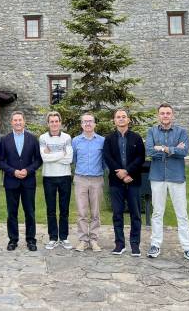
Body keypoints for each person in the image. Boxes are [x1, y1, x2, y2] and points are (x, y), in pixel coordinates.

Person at [145, 103, 189, 263]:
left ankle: (188, 247)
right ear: (158, 115)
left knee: (182, 213)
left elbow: (184, 151)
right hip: (157, 177)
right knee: (157, 212)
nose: (165, 116)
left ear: (172, 115)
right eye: (162, 113)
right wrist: (172, 149)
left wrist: (162, 149)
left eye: (168, 113)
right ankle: (155, 244)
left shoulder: (181, 132)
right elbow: (149, 151)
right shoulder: (152, 131)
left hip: (176, 177)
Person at [103, 108, 145, 256]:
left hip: (133, 180)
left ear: (128, 120)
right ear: (114, 121)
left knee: (135, 214)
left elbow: (140, 157)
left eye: (123, 116)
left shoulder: (136, 138)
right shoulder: (109, 139)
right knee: (117, 214)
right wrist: (120, 174)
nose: (121, 119)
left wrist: (127, 172)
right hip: (116, 182)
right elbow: (108, 158)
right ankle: (119, 244)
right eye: (118, 117)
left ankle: (135, 244)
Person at [0, 111, 43, 251]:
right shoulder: (5, 140)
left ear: (24, 121)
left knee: (30, 212)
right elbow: (0, 161)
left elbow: (38, 160)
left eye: (20, 120)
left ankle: (31, 240)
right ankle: (13, 240)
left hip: (28, 181)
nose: (18, 122)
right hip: (11, 181)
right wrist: (13, 171)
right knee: (12, 212)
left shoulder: (32, 139)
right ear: (11, 122)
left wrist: (27, 170)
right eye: (15, 120)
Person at [72, 112, 106, 252]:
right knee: (82, 212)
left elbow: (104, 160)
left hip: (97, 179)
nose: (88, 124)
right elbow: (74, 159)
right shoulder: (75, 141)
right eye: (85, 121)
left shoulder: (102, 141)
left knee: (95, 212)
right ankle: (83, 240)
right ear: (81, 124)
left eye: (90, 121)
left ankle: (93, 240)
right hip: (80, 179)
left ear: (94, 124)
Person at [39, 111, 73, 250]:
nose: (54, 124)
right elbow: (44, 158)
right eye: (51, 121)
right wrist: (61, 153)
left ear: (60, 122)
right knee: (51, 209)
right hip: (49, 177)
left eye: (56, 121)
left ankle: (64, 237)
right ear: (48, 123)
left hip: (65, 176)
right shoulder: (43, 138)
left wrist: (52, 154)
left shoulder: (67, 137)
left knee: (64, 209)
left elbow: (69, 159)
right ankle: (53, 238)